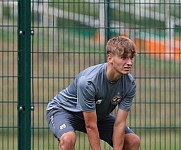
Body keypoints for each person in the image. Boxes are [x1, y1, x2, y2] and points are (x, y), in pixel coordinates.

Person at [46, 36, 140, 150]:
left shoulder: (129, 84)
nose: (129, 62)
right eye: (124, 57)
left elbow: (120, 124)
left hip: (96, 115)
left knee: (133, 141)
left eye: (131, 58)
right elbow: (90, 126)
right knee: (68, 139)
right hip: (64, 111)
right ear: (110, 58)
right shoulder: (89, 82)